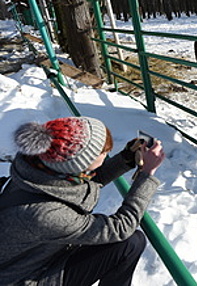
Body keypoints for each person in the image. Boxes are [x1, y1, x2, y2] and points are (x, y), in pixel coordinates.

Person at [0, 116, 165, 286]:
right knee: (129, 243)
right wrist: (146, 176)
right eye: (103, 152)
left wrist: (127, 157)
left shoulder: (37, 170)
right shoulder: (46, 214)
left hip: (39, 255)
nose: (106, 154)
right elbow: (120, 228)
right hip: (27, 278)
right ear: (78, 165)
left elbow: (88, 182)